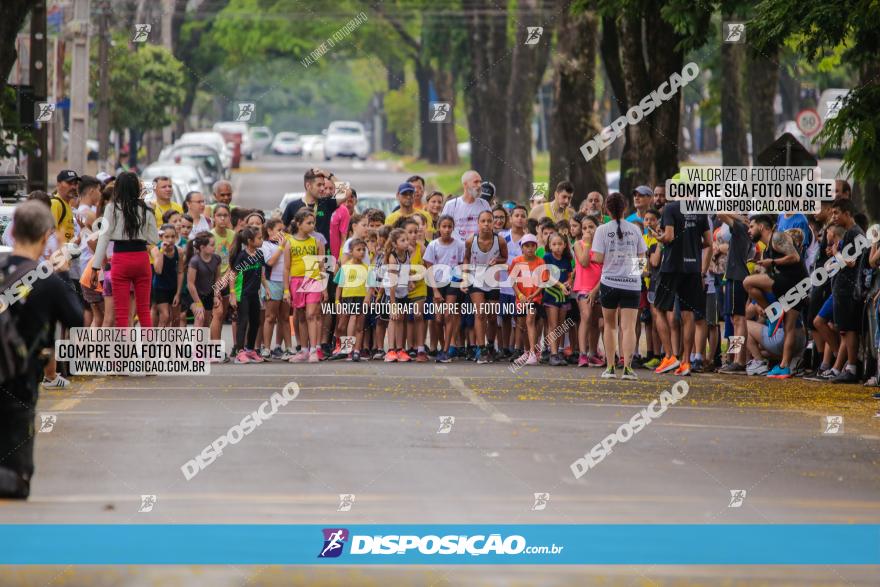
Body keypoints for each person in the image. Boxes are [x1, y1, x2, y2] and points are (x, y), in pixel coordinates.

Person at [0, 201, 84, 499]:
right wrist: (63, 271)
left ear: (12, 230)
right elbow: (76, 320)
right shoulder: (47, 279)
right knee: (16, 435)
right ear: (46, 234)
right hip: (23, 373)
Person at [742, 214, 809, 379]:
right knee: (788, 327)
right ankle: (784, 366)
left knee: (747, 282)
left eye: (751, 226)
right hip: (797, 286)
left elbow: (795, 257)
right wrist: (762, 266)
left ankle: (772, 314)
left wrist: (772, 262)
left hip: (793, 282)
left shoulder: (777, 236)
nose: (749, 230)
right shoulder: (766, 249)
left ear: (762, 227)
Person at [90, 171, 159, 328]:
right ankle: (149, 350)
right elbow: (154, 239)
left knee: (121, 313)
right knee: (143, 311)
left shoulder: (111, 208)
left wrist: (95, 268)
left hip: (120, 260)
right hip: (142, 259)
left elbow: (103, 239)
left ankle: (125, 351)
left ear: (118, 188)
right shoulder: (147, 208)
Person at [592, 192, 647, 380]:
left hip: (609, 283)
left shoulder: (601, 230)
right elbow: (642, 257)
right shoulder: (635, 229)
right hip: (632, 284)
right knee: (629, 327)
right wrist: (634, 273)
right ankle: (628, 368)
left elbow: (597, 258)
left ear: (607, 209)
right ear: (625, 208)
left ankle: (609, 367)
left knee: (610, 326)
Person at [653, 199, 710, 377]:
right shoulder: (700, 210)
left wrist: (659, 238)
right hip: (693, 267)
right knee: (688, 313)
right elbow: (708, 241)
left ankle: (670, 356)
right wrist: (691, 245)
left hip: (672, 266)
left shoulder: (671, 207)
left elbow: (668, 236)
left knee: (659, 309)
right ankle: (686, 361)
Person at [828, 198, 868, 383]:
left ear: (847, 213)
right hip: (843, 288)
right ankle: (844, 367)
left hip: (849, 289)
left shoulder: (854, 233)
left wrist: (837, 254)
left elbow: (850, 262)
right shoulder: (849, 233)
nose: (833, 216)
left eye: (836, 213)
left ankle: (852, 367)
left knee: (849, 330)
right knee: (844, 329)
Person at [464, 210, 507, 364]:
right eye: (483, 221)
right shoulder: (470, 241)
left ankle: (490, 345)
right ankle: (481, 349)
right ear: (478, 223)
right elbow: (466, 258)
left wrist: (498, 261)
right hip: (476, 279)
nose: (486, 224)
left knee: (492, 317)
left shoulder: (500, 241)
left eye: (489, 221)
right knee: (480, 313)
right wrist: (464, 278)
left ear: (493, 223)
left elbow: (505, 257)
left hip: (493, 280)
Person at [284, 209, 326, 363]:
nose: (312, 225)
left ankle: (314, 349)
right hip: (296, 281)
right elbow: (286, 268)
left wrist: (324, 287)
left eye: (313, 222)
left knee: (311, 315)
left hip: (313, 280)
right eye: (309, 223)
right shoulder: (290, 243)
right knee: (301, 315)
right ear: (299, 224)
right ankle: (303, 350)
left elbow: (322, 267)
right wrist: (286, 290)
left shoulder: (317, 242)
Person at [424, 215, 466, 363]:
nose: (447, 230)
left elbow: (461, 265)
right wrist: (435, 290)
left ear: (453, 228)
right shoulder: (433, 245)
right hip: (437, 283)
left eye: (449, 227)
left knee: (449, 315)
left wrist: (462, 282)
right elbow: (429, 269)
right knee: (438, 319)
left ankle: (446, 350)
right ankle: (442, 346)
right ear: (439, 228)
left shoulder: (459, 245)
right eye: (444, 226)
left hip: (453, 282)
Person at [716, 213, 753, 373]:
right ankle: (737, 359)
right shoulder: (743, 227)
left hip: (736, 275)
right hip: (735, 275)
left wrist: (739, 216)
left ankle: (739, 360)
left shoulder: (741, 225)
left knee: (738, 319)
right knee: (735, 318)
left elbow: (720, 213)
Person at [228, 226, 266, 364]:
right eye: (259, 238)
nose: (262, 240)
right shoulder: (242, 256)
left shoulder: (259, 254)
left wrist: (266, 287)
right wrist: (232, 294)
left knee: (256, 322)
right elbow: (233, 275)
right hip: (242, 294)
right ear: (250, 241)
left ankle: (250, 349)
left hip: (254, 294)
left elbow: (261, 273)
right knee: (243, 321)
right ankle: (240, 351)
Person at [508, 234, 544, 365]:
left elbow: (542, 283)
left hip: (534, 299)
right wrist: (520, 295)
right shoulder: (516, 261)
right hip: (521, 300)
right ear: (522, 248)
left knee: (530, 321)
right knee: (522, 326)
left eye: (532, 245)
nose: (530, 248)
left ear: (536, 247)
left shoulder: (540, 262)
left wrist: (533, 295)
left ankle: (534, 353)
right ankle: (527, 352)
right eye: (526, 246)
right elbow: (512, 281)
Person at [260, 219, 292, 360]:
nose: (282, 233)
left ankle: (289, 348)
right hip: (271, 282)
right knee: (270, 317)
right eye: (279, 230)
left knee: (284, 317)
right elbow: (270, 262)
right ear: (269, 231)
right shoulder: (265, 245)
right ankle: (267, 348)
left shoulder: (287, 243)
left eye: (283, 230)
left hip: (286, 283)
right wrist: (281, 247)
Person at [574, 215, 603, 367]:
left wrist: (596, 290)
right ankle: (582, 354)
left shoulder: (603, 246)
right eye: (584, 228)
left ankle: (593, 353)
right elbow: (584, 262)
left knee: (596, 322)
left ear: (598, 228)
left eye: (591, 227)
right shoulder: (579, 244)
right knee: (586, 315)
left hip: (598, 287)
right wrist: (587, 243)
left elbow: (605, 270)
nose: (588, 230)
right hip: (583, 288)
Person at [282, 168, 338, 244]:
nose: (322, 188)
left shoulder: (327, 202)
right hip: (301, 254)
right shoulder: (292, 206)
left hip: (322, 253)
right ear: (308, 186)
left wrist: (328, 175)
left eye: (323, 184)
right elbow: (281, 231)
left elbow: (347, 191)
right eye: (319, 185)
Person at [542, 232, 573, 366]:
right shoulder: (547, 257)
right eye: (554, 244)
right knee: (553, 324)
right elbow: (546, 276)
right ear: (549, 245)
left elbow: (570, 275)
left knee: (560, 326)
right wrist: (560, 285)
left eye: (560, 244)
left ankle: (558, 352)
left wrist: (568, 282)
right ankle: (553, 353)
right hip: (551, 294)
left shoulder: (566, 259)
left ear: (565, 245)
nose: (557, 247)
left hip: (563, 296)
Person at [441, 170, 491, 243]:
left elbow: (490, 227)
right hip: (457, 251)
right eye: (476, 182)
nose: (480, 185)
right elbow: (443, 229)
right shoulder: (451, 205)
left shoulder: (484, 204)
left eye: (480, 182)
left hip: (479, 249)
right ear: (465, 184)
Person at [150, 223, 184, 327]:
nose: (170, 240)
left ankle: (172, 342)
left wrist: (178, 293)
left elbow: (180, 271)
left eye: (173, 236)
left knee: (175, 318)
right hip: (160, 286)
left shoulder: (179, 251)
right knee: (165, 316)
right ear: (161, 237)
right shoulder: (155, 250)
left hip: (173, 286)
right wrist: (162, 251)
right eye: (167, 237)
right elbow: (158, 270)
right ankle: (158, 341)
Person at [185, 232, 221, 329]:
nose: (215, 247)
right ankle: (196, 344)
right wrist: (198, 303)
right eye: (212, 245)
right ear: (202, 247)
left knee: (206, 322)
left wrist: (216, 295)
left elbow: (217, 277)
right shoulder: (195, 261)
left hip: (208, 293)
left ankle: (203, 344)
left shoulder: (217, 258)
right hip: (194, 294)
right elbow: (190, 284)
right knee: (200, 317)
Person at [51, 169, 80, 245]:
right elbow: (51, 236)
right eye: (69, 183)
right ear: (58, 184)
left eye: (75, 183)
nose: (74, 187)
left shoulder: (68, 204)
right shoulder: (55, 203)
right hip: (59, 254)